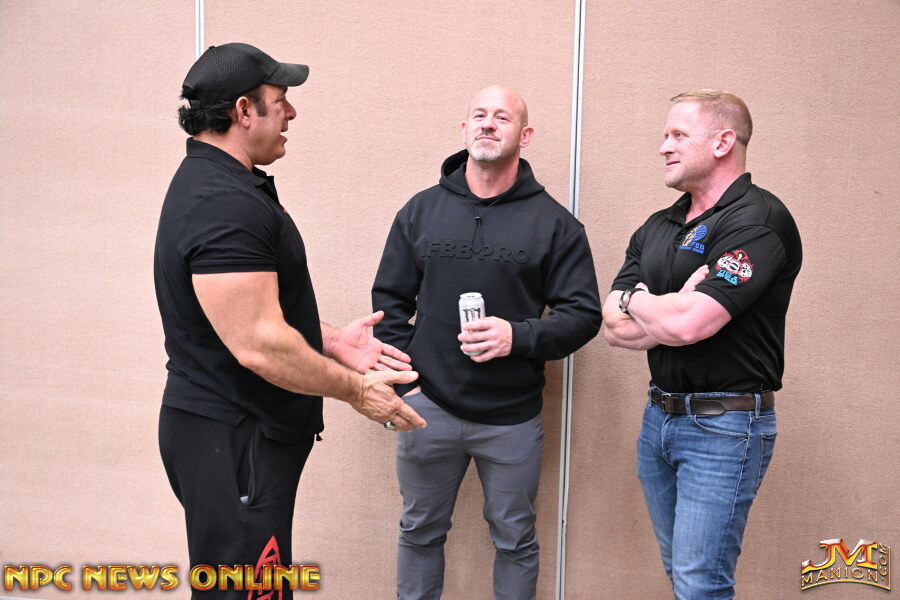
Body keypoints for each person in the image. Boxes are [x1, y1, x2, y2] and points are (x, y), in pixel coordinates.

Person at [154, 42, 425, 598]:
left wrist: (330, 340)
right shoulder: (222, 203)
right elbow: (259, 343)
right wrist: (357, 391)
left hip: (236, 439)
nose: (291, 113)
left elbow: (250, 315)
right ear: (243, 111)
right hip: (234, 439)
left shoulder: (226, 186)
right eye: (280, 101)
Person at [372, 85, 602, 600]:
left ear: (525, 135)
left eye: (502, 117)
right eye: (479, 115)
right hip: (427, 408)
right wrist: (407, 387)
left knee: (515, 540)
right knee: (419, 531)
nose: (488, 124)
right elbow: (388, 303)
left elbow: (583, 316)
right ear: (464, 129)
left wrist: (517, 335)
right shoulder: (420, 211)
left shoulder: (556, 225)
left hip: (511, 419)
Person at [603, 89, 802, 599]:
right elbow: (613, 327)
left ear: (722, 142)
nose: (663, 146)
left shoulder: (757, 221)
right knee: (682, 575)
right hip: (658, 421)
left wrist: (637, 299)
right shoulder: (658, 226)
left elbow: (689, 325)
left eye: (678, 135)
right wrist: (667, 306)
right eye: (665, 135)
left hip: (724, 428)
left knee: (700, 584)